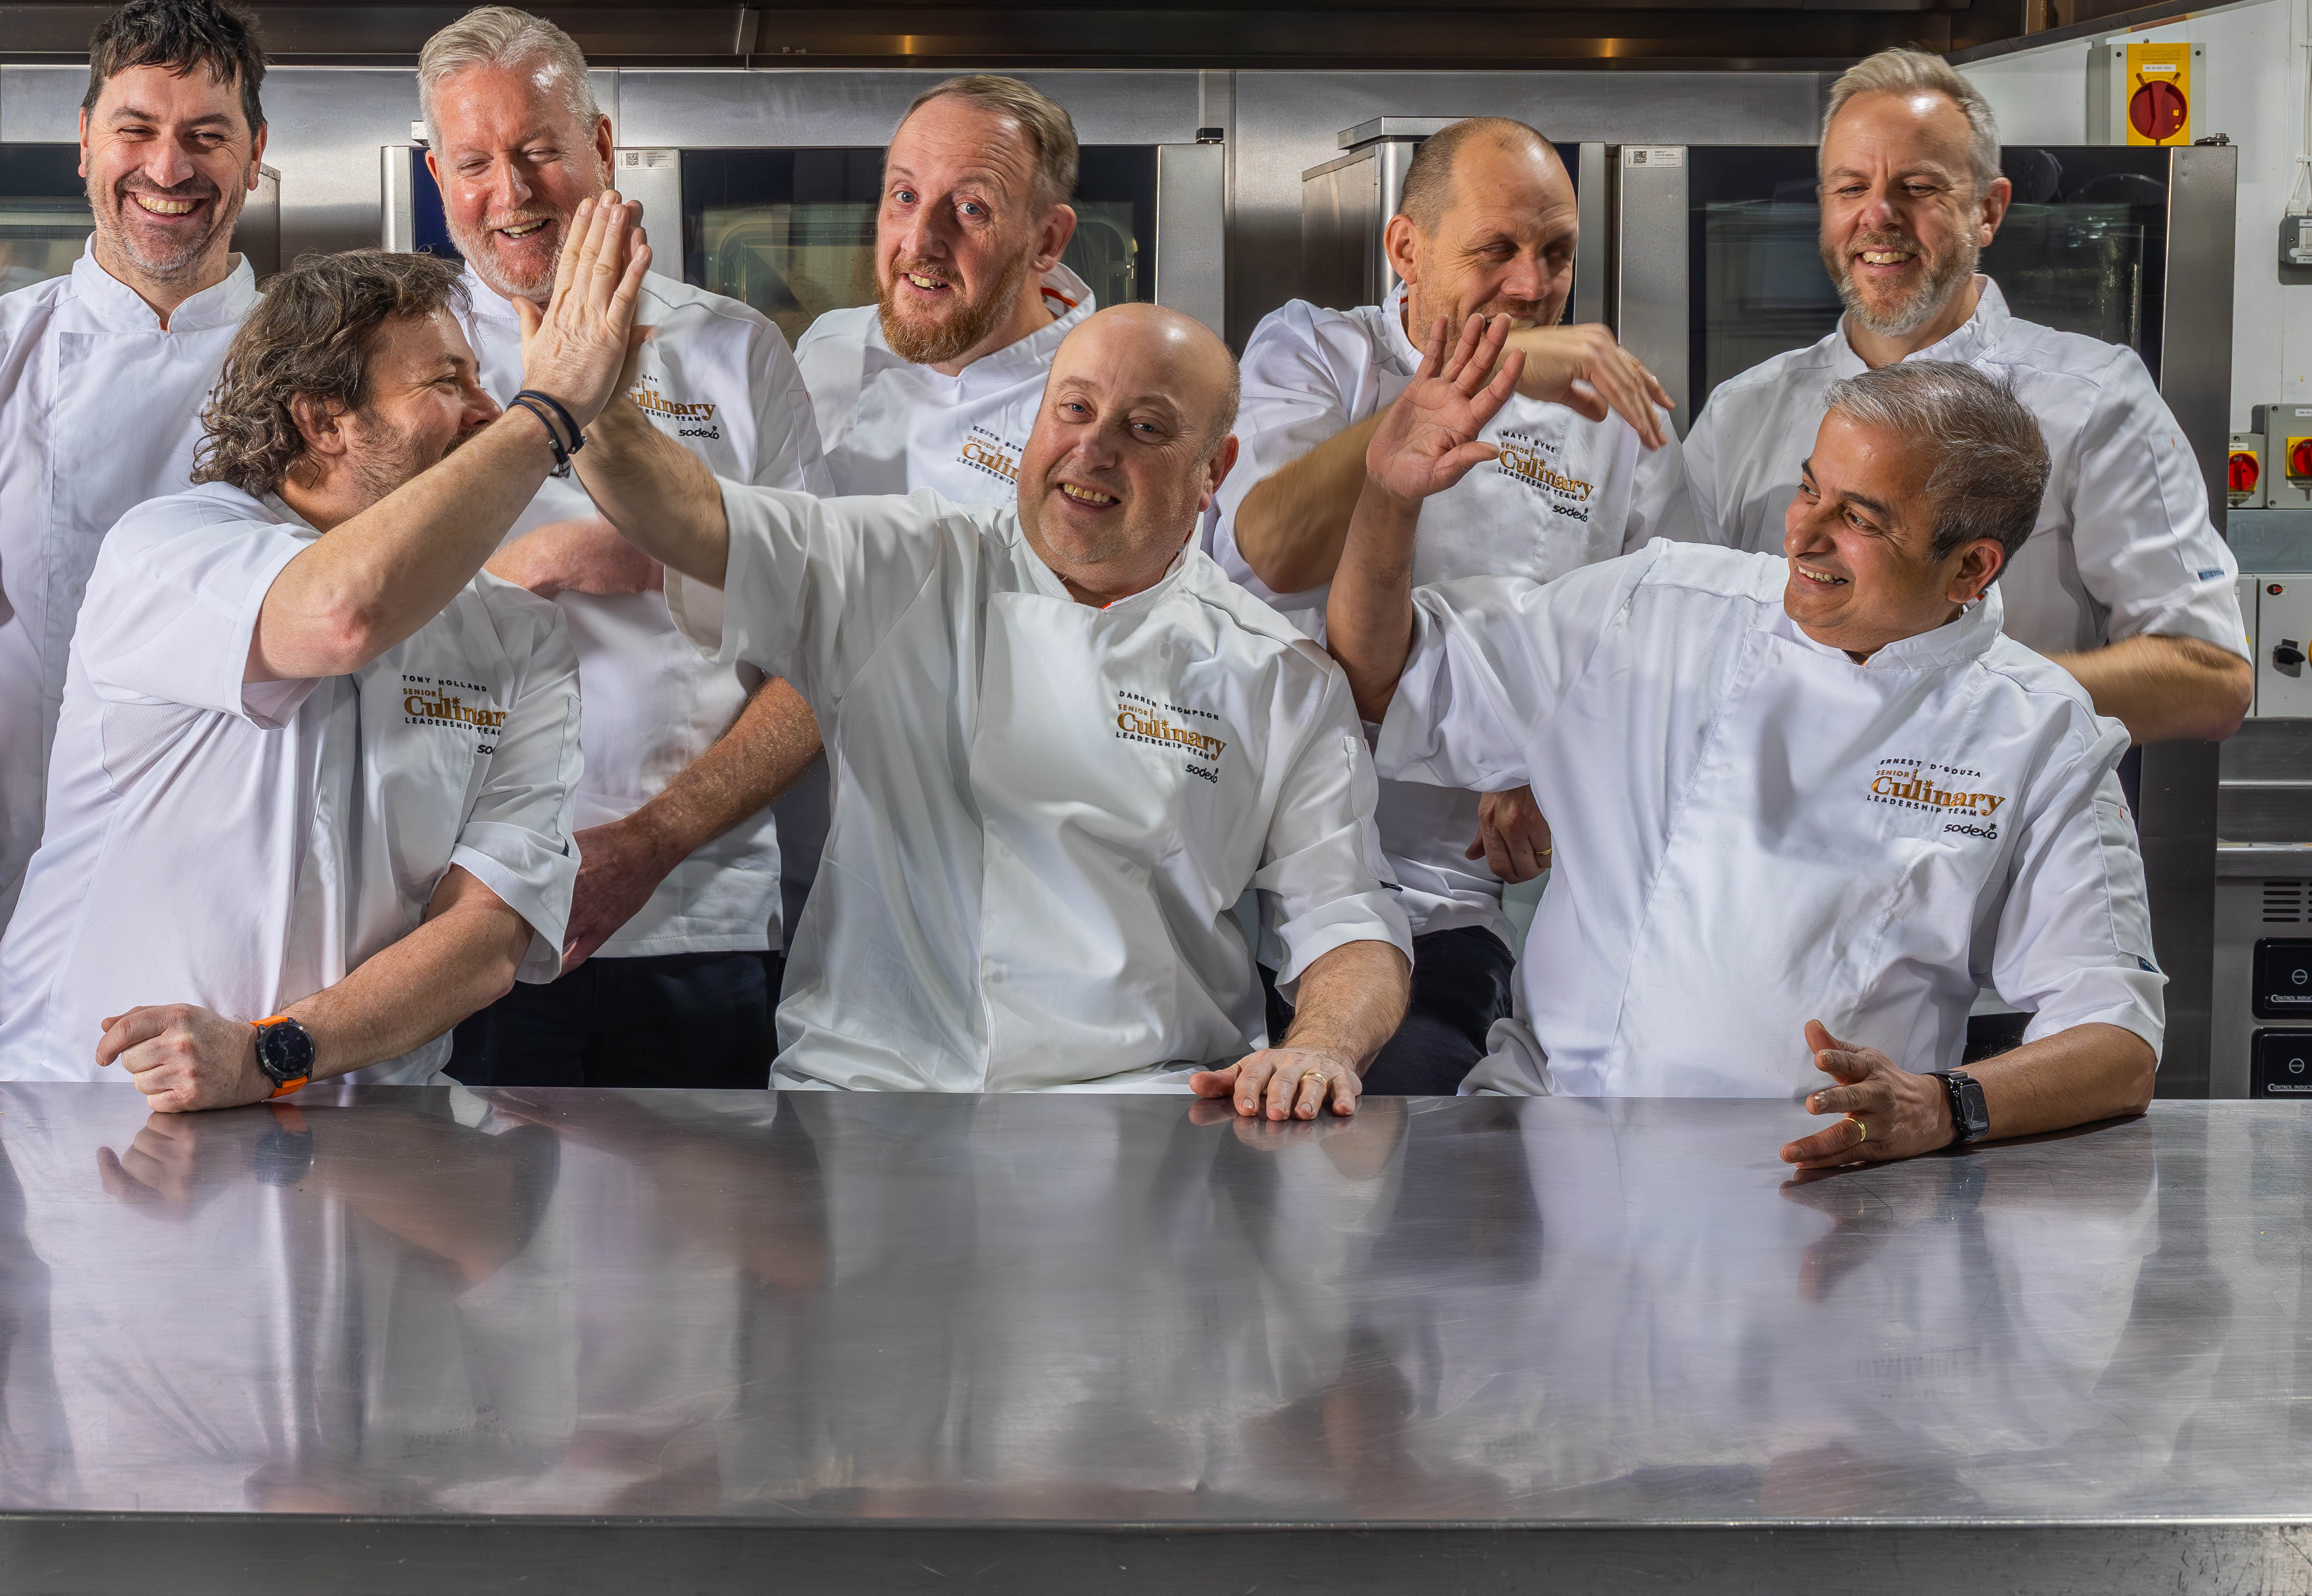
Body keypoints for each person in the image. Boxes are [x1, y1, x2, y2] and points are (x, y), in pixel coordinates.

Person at [1327, 319, 2163, 1159]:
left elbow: (2116, 1042)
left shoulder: (2039, 730)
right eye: (1809, 489)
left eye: (1859, 519)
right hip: (1556, 1149)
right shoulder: (1654, 607)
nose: (1802, 534)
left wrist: (1944, 1103)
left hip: (1822, 1194)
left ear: (1970, 569)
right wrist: (1387, 498)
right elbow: (1382, 680)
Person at [570, 291, 1414, 1111]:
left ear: (1211, 473)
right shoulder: (907, 564)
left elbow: (1347, 921)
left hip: (1147, 1117)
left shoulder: (1280, 676)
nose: (1092, 451)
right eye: (1073, 410)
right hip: (872, 1105)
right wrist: (590, 402)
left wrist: (1321, 1044)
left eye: (1145, 428)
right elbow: (688, 518)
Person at [0, 230, 650, 1104]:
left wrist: (273, 1054)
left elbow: (486, 937)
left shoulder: (520, 635)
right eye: (448, 381)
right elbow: (338, 617)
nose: (487, 409)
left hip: (353, 1139)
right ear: (323, 418)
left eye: (486, 380)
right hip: (90, 1113)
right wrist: (547, 412)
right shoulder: (170, 547)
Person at [1210, 117, 1677, 1092]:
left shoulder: (1613, 422)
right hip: (1259, 870)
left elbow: (1654, 647)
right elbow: (1261, 548)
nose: (1530, 283)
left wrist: (1547, 755)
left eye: (1554, 253)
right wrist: (1482, 385)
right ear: (1403, 248)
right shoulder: (1318, 356)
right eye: (1494, 250)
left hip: (1452, 898)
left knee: (1410, 1142)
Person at [412, 6, 827, 1087]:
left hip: (698, 915)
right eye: (475, 162)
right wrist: (526, 565)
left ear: (601, 146)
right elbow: (329, 608)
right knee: (457, 1244)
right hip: (445, 918)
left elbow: (823, 662)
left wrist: (649, 843)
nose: (511, 193)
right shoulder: (398, 359)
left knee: (692, 1252)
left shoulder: (737, 352)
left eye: (540, 149)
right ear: (437, 173)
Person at [0, 0, 273, 1078]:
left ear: (254, 153)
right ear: (85, 143)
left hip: (259, 950)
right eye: (136, 129)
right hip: (22, 941)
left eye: (205, 135)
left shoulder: (319, 366)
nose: (168, 168)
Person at [1654, 47, 2247, 745]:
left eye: (1918, 187)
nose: (1878, 216)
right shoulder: (1742, 413)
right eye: (1850, 189)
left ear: (1987, 211)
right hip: (1775, 839)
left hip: (1999, 841)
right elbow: (1669, 639)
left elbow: (2210, 680)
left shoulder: (2093, 402)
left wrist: (1952, 702)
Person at [797, 75, 1094, 504]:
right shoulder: (828, 342)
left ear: (1047, 240)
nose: (918, 241)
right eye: (905, 196)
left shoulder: (1103, 401)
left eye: (971, 208)